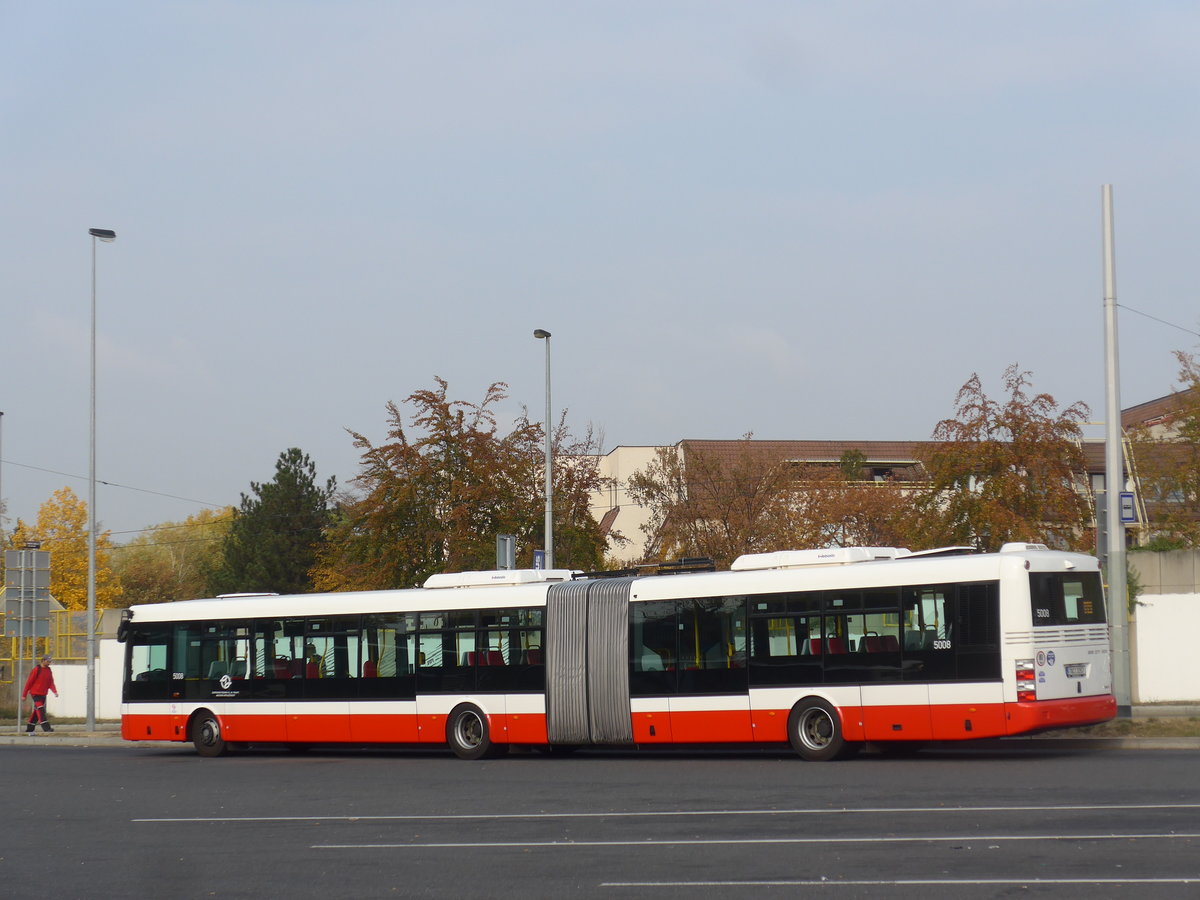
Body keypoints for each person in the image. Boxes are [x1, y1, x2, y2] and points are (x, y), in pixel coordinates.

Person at [23, 654, 59, 734]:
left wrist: (55, 691)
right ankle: (46, 728)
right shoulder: (37, 669)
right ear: (43, 660)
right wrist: (24, 694)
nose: (49, 663)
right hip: (35, 693)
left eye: (50, 661)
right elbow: (29, 682)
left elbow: (50, 682)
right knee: (41, 709)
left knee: (37, 711)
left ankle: (30, 728)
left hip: (43, 694)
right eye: (48, 661)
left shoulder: (49, 670)